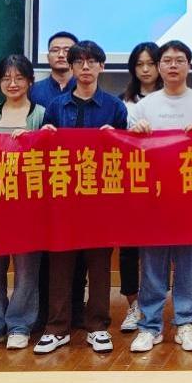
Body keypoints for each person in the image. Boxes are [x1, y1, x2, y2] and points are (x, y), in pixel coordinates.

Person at [33, 40, 128, 355]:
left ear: (102, 66)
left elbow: (127, 156)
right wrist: (44, 137)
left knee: (99, 265)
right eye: (79, 62)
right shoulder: (56, 106)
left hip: (101, 200)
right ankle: (57, 328)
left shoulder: (115, 107)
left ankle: (98, 327)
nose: (85, 67)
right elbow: (46, 154)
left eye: (91, 62)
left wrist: (116, 139)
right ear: (71, 67)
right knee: (60, 264)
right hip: (64, 198)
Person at [128, 40, 192, 353]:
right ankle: (150, 326)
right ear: (159, 66)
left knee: (187, 265)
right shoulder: (145, 106)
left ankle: (186, 323)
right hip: (153, 200)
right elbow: (128, 150)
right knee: (152, 265)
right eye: (166, 60)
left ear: (189, 66)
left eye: (179, 60)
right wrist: (136, 131)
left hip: (191, 200)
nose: (172, 65)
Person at [0, 55, 45, 351]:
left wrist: (35, 139)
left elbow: (51, 154)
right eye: (6, 78)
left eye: (19, 78)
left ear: (30, 81)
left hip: (27, 207)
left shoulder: (41, 114)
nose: (12, 83)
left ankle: (19, 325)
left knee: (27, 270)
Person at [29, 30, 84, 332]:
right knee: (45, 251)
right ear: (47, 56)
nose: (61, 54)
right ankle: (44, 312)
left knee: (79, 252)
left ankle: (76, 310)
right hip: (43, 183)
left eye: (67, 50)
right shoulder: (34, 92)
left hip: (81, 183)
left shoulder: (86, 86)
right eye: (55, 49)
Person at [118, 41, 163, 334]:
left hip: (164, 184)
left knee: (159, 247)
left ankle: (156, 305)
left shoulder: (171, 98)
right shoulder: (121, 102)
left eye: (151, 63)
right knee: (129, 247)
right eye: (139, 64)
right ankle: (133, 305)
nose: (145, 69)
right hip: (130, 183)